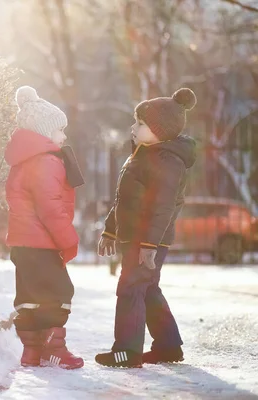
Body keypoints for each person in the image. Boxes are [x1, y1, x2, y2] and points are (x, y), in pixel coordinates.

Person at [96, 88, 197, 368]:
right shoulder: (142, 155)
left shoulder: (167, 161)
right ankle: (167, 346)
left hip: (148, 240)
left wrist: (150, 244)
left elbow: (163, 207)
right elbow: (125, 199)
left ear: (160, 130)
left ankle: (127, 352)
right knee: (148, 289)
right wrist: (110, 230)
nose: (134, 127)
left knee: (130, 288)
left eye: (140, 123)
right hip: (138, 238)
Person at [4, 86, 83, 369]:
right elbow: (50, 206)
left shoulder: (23, 162)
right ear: (44, 133)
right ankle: (54, 349)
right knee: (58, 294)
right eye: (59, 130)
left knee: (29, 298)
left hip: (23, 244)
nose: (63, 136)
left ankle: (32, 352)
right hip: (43, 243)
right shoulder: (48, 161)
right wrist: (68, 240)